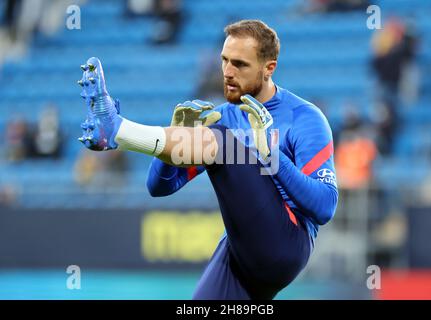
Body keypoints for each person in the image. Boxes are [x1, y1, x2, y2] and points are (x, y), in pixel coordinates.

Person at [77, 20, 338, 300]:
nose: (227, 72)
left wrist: (272, 157)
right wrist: (178, 136)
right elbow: (159, 187)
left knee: (222, 140)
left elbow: (324, 207)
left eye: (240, 64)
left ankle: (117, 129)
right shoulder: (224, 115)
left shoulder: (304, 118)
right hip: (240, 251)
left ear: (268, 68)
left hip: (287, 244)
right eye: (224, 60)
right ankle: (118, 130)